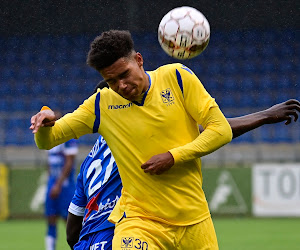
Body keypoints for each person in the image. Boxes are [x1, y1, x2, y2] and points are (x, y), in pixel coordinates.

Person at [29, 30, 297, 249]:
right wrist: (45, 115)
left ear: (139, 60)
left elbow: (220, 130)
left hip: (194, 221)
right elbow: (47, 140)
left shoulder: (178, 78)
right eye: (111, 81)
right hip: (139, 221)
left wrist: (173, 157)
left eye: (124, 75)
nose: (121, 86)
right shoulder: (101, 104)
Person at [65, 81, 300, 250]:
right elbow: (210, 132)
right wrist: (265, 116)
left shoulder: (87, 165)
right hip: (116, 236)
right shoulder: (134, 139)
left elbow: (72, 229)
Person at [45, 111, 78, 250]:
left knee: (70, 222)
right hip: (53, 182)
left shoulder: (68, 138)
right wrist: (51, 179)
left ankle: (78, 246)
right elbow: (50, 162)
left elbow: (69, 163)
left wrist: (58, 185)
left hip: (65, 186)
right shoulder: (49, 138)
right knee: (50, 218)